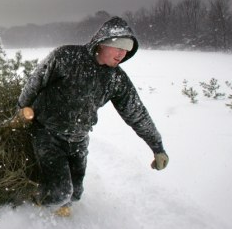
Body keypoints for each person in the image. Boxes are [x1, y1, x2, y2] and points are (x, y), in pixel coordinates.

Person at [17, 16, 168, 217]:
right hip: (48, 132)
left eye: (127, 49)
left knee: (76, 193)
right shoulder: (66, 56)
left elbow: (136, 113)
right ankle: (38, 210)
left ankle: (60, 211)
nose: (122, 53)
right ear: (102, 43)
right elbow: (36, 81)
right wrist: (21, 108)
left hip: (79, 139)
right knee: (60, 191)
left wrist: (157, 147)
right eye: (118, 47)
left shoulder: (116, 79)